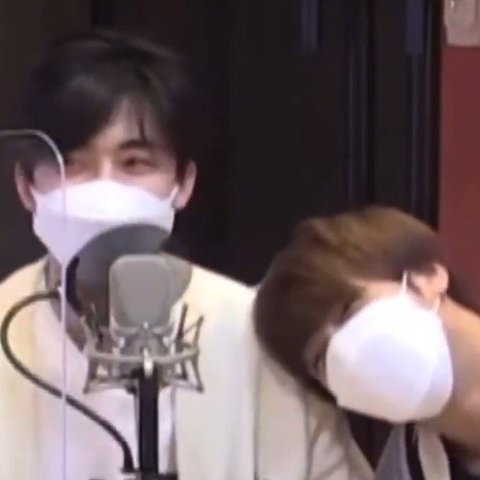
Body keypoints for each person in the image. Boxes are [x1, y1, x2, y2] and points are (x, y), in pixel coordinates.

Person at [0, 30, 368, 480]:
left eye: (134, 163)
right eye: (72, 164)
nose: (103, 188)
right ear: (26, 187)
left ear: (183, 182)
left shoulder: (259, 335)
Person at [254, 205, 480, 479]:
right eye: (322, 358)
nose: (346, 353)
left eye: (350, 311)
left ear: (427, 276)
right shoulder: (410, 464)